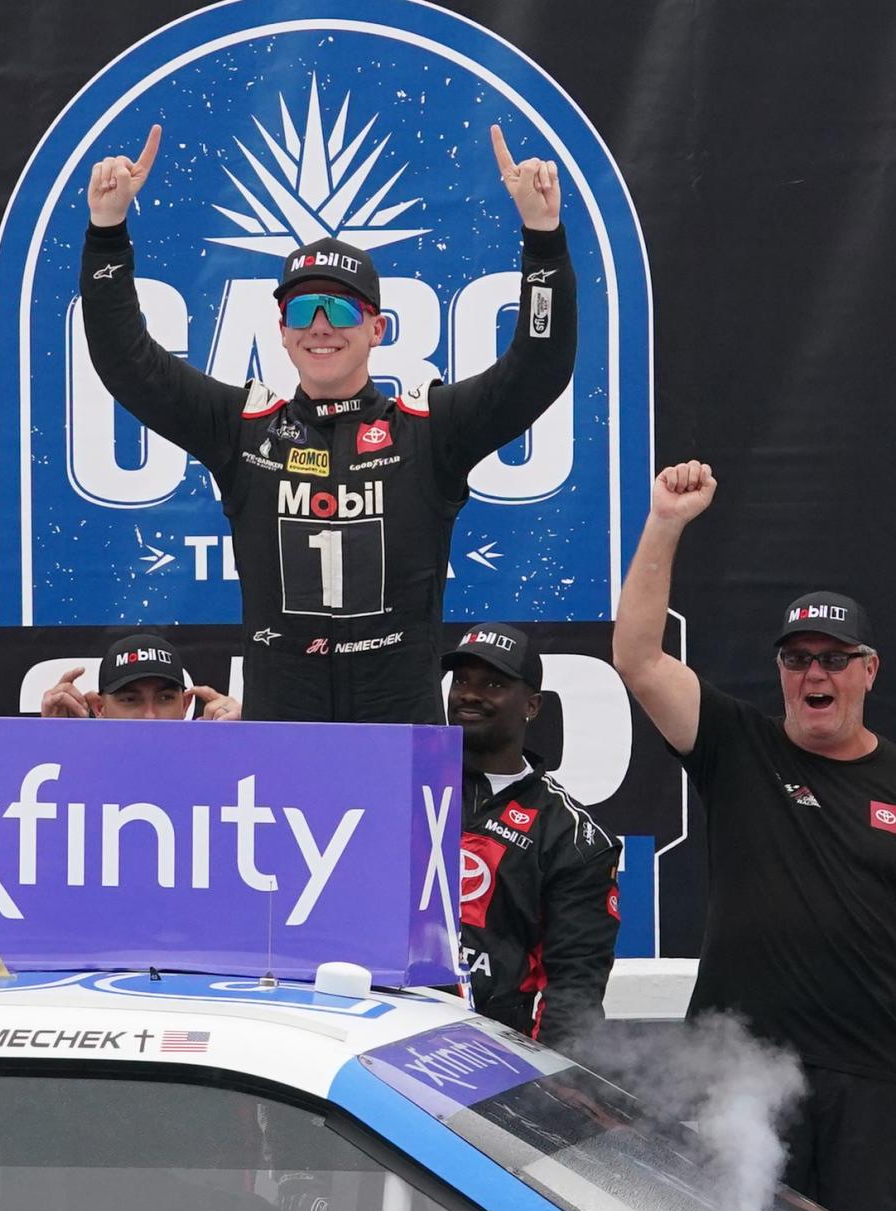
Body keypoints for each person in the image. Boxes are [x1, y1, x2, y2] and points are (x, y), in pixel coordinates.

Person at [81, 124, 576, 723]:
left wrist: (542, 241)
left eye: (340, 307)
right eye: (301, 308)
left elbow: (539, 368)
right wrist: (107, 234)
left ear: (378, 328)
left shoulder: (427, 429)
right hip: (284, 742)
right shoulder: (244, 431)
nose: (320, 325)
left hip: (402, 741)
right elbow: (128, 364)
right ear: (283, 333)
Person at [612, 460, 896, 1211]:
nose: (815, 672)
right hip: (739, 1077)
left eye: (834, 658)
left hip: (874, 1088)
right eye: (797, 658)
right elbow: (637, 658)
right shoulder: (740, 746)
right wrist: (665, 523)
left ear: (867, 670)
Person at [443, 624, 620, 1047]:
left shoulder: (573, 835)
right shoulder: (406, 786)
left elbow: (574, 987)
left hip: (498, 1052)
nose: (469, 694)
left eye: (492, 684)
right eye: (462, 680)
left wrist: (547, 1087)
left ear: (532, 706)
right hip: (386, 1036)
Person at [40, 633, 241, 719]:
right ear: (100, 708)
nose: (150, 715)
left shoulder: (213, 755)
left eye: (165, 698)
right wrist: (54, 742)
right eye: (130, 700)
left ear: (185, 705)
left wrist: (246, 741)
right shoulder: (76, 762)